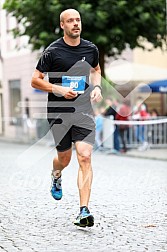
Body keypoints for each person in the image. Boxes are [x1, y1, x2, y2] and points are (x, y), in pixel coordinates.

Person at [31, 9, 102, 228]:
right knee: (64, 158)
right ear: (62, 25)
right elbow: (35, 80)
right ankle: (56, 174)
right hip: (58, 111)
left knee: (85, 157)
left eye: (78, 20)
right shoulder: (52, 51)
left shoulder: (91, 49)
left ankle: (83, 211)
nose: (75, 24)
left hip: (83, 111)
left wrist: (97, 86)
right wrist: (58, 89)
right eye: (70, 21)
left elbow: (96, 69)